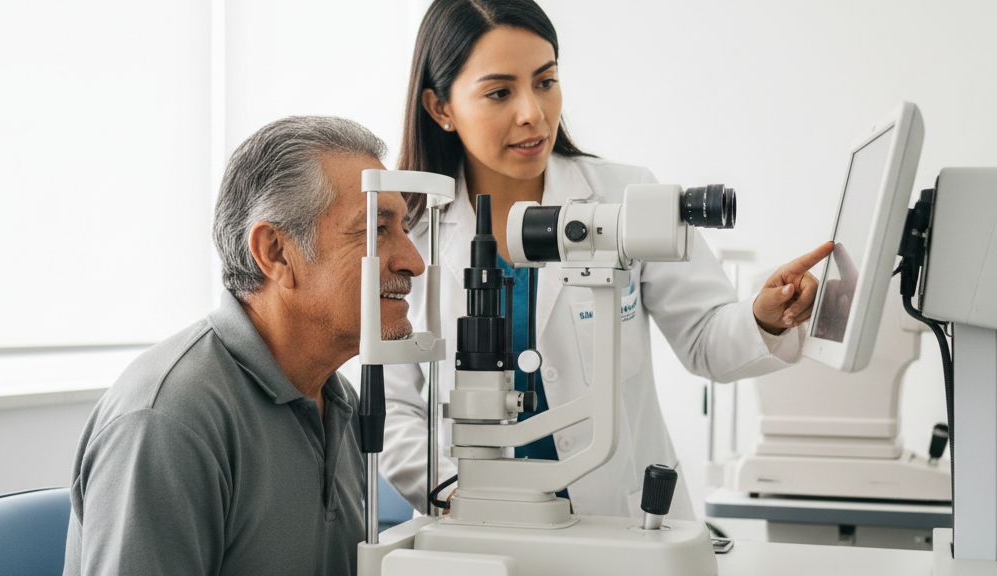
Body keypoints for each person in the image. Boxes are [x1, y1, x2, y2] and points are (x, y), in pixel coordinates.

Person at [379, 0, 834, 519]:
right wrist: (457, 493)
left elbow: (708, 341)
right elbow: (397, 409)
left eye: (546, 81)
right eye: (500, 92)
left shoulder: (626, 197)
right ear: (440, 108)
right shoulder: (412, 234)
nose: (533, 112)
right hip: (478, 524)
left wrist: (763, 317)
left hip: (623, 521)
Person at [63, 116, 424, 575]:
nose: (414, 262)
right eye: (376, 229)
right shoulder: (170, 420)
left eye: (405, 229)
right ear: (275, 252)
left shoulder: (338, 399)